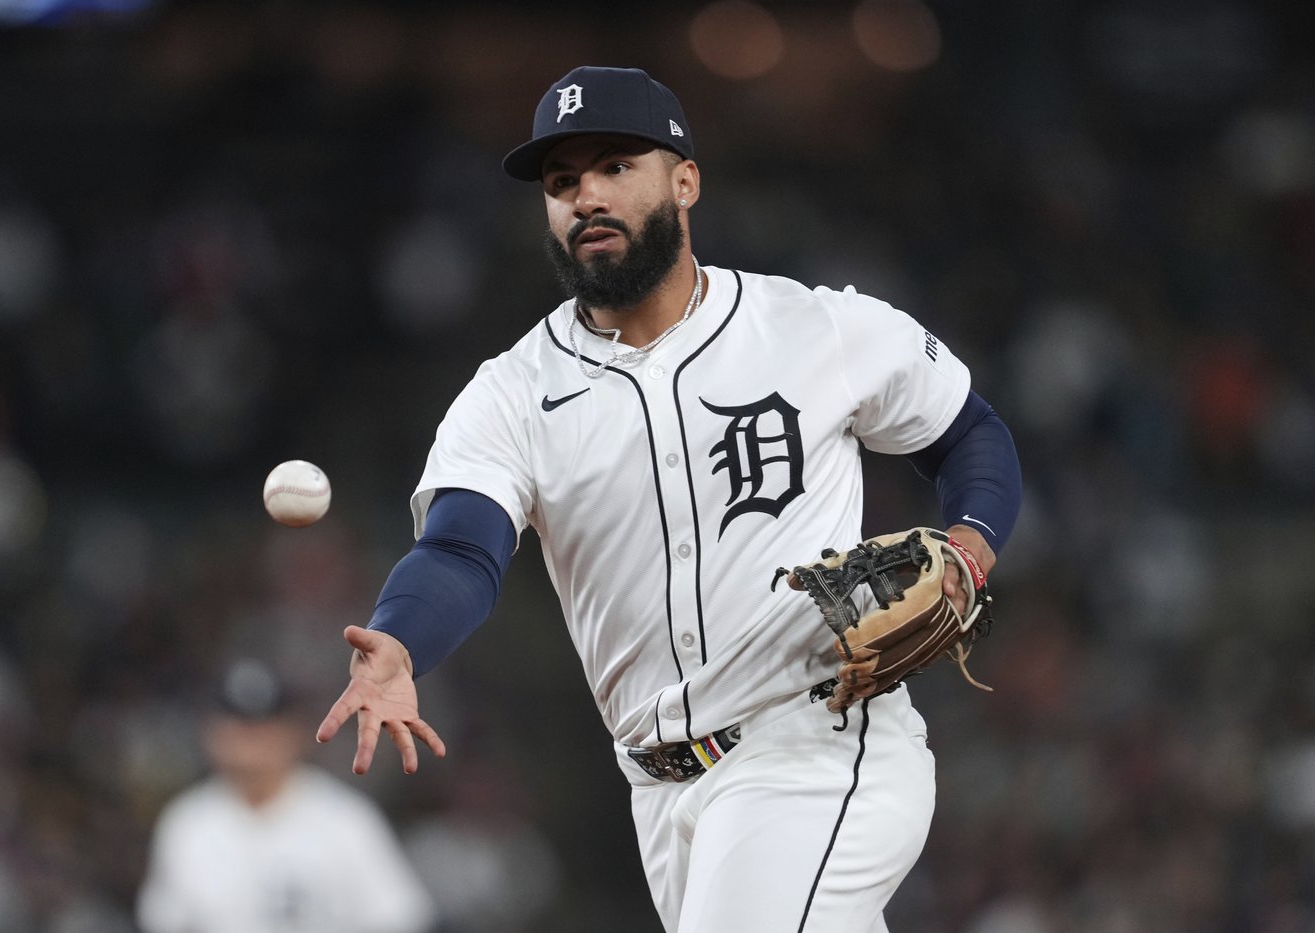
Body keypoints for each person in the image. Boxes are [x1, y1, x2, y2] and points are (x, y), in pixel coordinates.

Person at [316, 66, 1023, 933]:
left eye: (615, 166)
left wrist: (973, 543)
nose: (586, 197)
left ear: (684, 179)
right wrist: (397, 641)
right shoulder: (510, 393)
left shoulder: (811, 328)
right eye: (562, 182)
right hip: (661, 792)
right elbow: (463, 548)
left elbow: (969, 431)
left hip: (812, 740)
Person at [139, 657, 438, 933]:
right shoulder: (187, 824)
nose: (251, 742)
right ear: (211, 733)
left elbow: (400, 919)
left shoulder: (346, 820)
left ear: (294, 732)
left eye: (265, 727)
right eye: (239, 726)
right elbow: (165, 921)